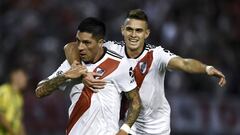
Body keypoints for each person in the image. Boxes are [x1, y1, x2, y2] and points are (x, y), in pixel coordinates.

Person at [64, 9, 226, 135]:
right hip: (127, 124)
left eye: (138, 31)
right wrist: (78, 68)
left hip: (156, 128)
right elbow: (71, 46)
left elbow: (184, 63)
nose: (133, 35)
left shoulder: (157, 54)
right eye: (129, 29)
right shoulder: (112, 48)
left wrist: (206, 69)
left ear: (146, 33)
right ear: (122, 30)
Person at [35, 17, 141, 135]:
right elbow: (39, 91)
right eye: (78, 41)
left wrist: (124, 130)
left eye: (86, 43)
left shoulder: (120, 64)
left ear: (100, 43)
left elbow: (135, 101)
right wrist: (65, 76)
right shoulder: (73, 64)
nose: (80, 47)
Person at [0, 68, 28, 135]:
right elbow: (0, 116)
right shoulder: (4, 91)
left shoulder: (19, 97)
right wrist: (13, 132)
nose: (26, 79)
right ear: (14, 76)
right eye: (23, 76)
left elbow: (18, 121)